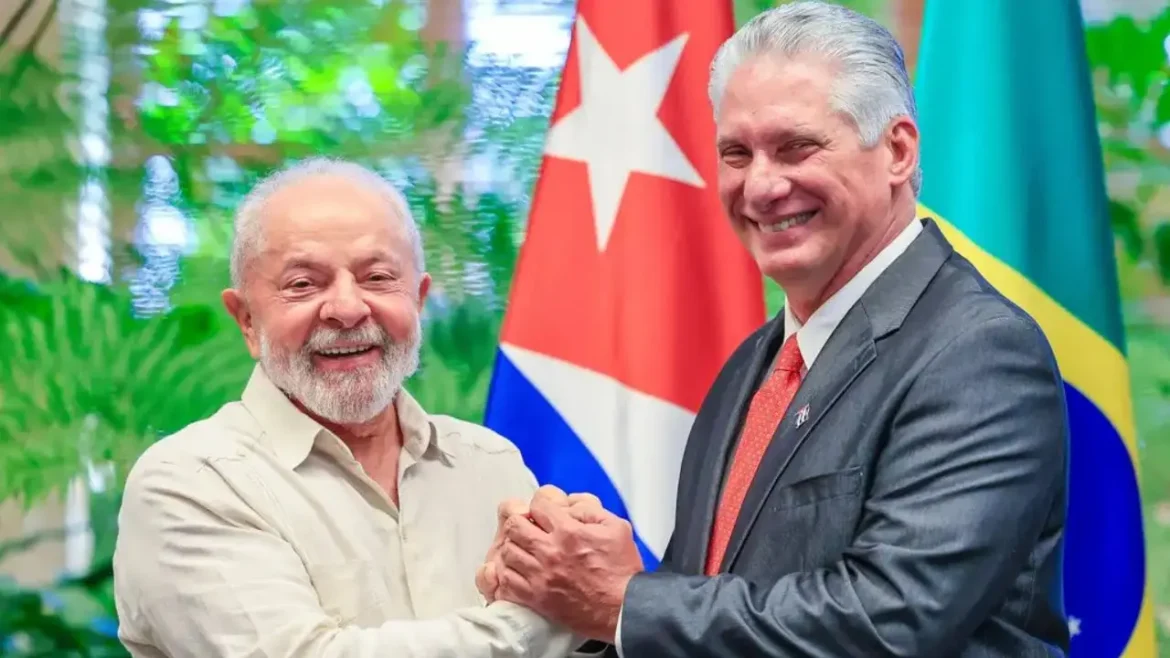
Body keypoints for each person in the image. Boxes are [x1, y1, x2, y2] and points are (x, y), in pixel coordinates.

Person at [478, 2, 1071, 657]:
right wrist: (563, 593)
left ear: (897, 151)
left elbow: (891, 620)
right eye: (737, 153)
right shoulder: (752, 367)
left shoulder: (978, 351)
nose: (760, 186)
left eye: (796, 147)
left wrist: (622, 602)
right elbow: (699, 611)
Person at [111, 158, 599, 658]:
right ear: (247, 320)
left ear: (419, 301)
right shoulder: (191, 481)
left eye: (378, 277)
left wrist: (592, 597)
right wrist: (554, 616)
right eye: (303, 284)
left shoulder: (488, 462)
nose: (347, 309)